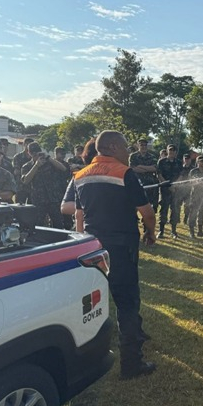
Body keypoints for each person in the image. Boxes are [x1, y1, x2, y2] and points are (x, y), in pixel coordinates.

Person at [71, 130, 157, 380]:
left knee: (89, 303)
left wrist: (81, 244)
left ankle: (84, 358)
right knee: (127, 303)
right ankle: (132, 364)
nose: (128, 153)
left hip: (91, 249)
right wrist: (150, 233)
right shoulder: (124, 173)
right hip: (120, 248)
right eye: (126, 148)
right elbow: (147, 213)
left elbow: (79, 215)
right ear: (112, 147)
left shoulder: (80, 175)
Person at [20, 142, 68, 228]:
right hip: (38, 200)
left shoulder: (49, 162)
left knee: (58, 224)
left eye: (37, 152)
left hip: (53, 198)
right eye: (33, 153)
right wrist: (36, 166)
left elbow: (63, 169)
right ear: (29, 153)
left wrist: (48, 157)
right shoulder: (27, 166)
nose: (36, 155)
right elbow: (25, 180)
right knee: (38, 225)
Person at [156, 145, 183, 238]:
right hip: (165, 189)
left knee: (175, 210)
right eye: (170, 150)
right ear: (167, 151)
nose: (172, 152)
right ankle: (161, 231)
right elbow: (159, 174)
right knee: (164, 209)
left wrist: (174, 185)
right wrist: (166, 185)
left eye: (173, 150)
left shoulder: (179, 162)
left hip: (175, 189)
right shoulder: (161, 161)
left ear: (176, 152)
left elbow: (181, 175)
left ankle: (174, 231)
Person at [129, 138, 160, 213]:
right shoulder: (133, 156)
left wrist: (140, 166)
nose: (143, 147)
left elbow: (154, 168)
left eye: (145, 145)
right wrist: (147, 169)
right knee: (134, 206)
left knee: (148, 206)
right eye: (141, 145)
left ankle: (146, 223)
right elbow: (133, 168)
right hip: (137, 183)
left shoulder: (152, 156)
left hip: (150, 184)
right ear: (138, 145)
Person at [187, 156, 203, 237]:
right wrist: (200, 182)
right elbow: (191, 181)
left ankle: (200, 231)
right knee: (193, 213)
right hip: (195, 194)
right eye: (201, 161)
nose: (202, 163)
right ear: (197, 162)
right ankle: (191, 232)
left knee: (202, 212)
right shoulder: (193, 171)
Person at [13, 138, 34, 203]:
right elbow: (16, 171)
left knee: (32, 208)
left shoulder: (34, 157)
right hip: (21, 186)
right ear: (24, 145)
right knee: (19, 207)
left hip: (33, 187)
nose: (28, 146)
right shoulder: (18, 156)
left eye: (30, 144)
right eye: (27, 144)